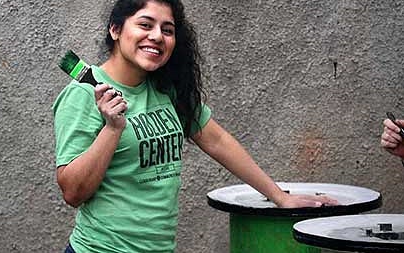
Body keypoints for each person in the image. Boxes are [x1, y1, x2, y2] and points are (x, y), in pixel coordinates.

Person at [52, 0, 338, 252]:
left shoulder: (167, 91)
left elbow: (218, 141)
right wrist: (112, 130)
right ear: (115, 29)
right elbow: (73, 192)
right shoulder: (83, 95)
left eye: (167, 30)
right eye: (145, 24)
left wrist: (280, 198)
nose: (157, 36)